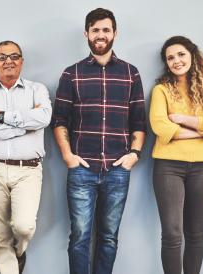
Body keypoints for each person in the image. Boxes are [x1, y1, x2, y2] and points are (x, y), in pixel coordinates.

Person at [51, 8, 146, 274]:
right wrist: (69, 157)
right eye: (95, 30)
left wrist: (134, 154)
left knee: (109, 237)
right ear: (86, 34)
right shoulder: (72, 74)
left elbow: (139, 121)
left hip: (118, 169)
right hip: (82, 169)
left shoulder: (131, 73)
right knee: (80, 236)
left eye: (106, 29)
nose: (100, 35)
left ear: (115, 33)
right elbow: (59, 120)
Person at [0, 40, 51, 274]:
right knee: (0, 235)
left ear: (22, 62)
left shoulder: (38, 90)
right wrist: (25, 126)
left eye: (14, 56)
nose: (9, 61)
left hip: (28, 170)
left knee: (24, 227)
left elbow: (43, 119)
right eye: (2, 57)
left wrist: (1, 116)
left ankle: (19, 252)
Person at [149, 36, 203, 274]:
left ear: (192, 55)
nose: (176, 61)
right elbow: (160, 127)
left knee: (196, 233)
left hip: (202, 168)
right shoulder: (161, 90)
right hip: (168, 167)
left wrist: (182, 120)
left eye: (181, 54)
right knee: (172, 233)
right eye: (170, 57)